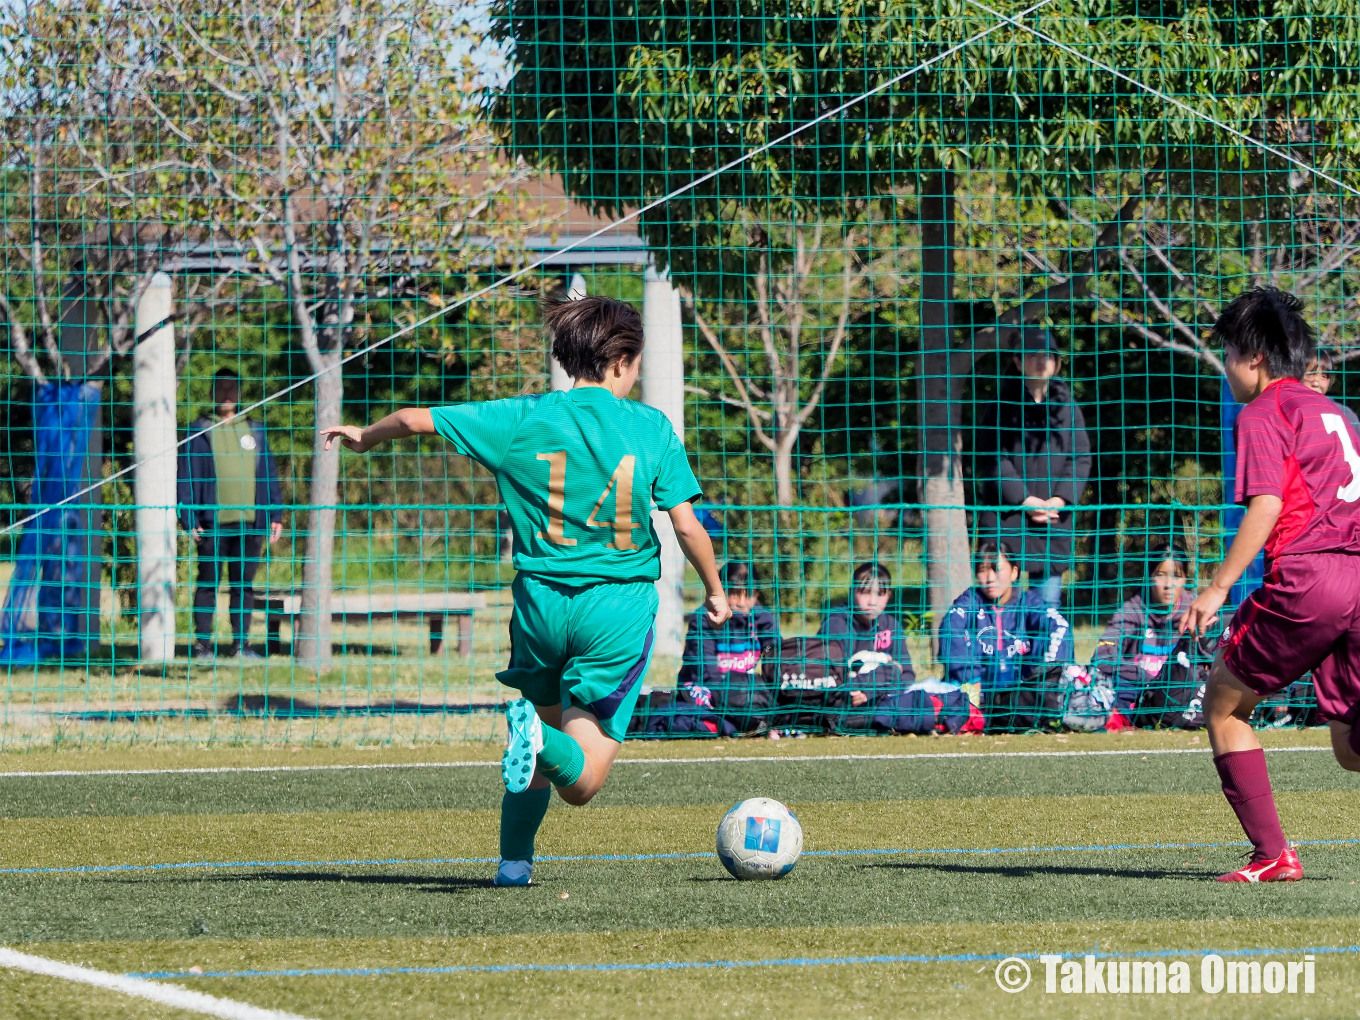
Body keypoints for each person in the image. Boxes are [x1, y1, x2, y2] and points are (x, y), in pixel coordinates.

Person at [320, 295, 730, 888]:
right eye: (636, 363)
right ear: (620, 362)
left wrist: (364, 436)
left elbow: (413, 418)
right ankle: (535, 755)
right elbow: (687, 524)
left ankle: (514, 863)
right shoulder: (649, 427)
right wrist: (714, 590)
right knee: (582, 780)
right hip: (615, 609)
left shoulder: (523, 416)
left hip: (539, 606)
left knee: (537, 742)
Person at [1181, 287, 1360, 883]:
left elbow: (1266, 505)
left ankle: (1273, 856)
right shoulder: (1340, 414)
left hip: (1310, 580)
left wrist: (1217, 587)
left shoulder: (1265, 411)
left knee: (1224, 707)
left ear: (1254, 357)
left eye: (1228, 353)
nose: (1226, 367)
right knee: (1349, 748)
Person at [975, 327, 1092, 608]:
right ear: (1017, 361)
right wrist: (1025, 500)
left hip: (1052, 520)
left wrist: (1060, 499)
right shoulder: (1000, 406)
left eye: (1048, 354)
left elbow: (1080, 458)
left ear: (1057, 362)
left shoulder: (1068, 407)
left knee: (1046, 613)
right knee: (999, 611)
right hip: (1007, 520)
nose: (1041, 360)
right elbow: (993, 458)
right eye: (1033, 354)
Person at [177, 368, 284, 660]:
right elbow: (184, 478)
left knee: (243, 586)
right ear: (212, 391)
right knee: (208, 584)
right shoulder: (198, 431)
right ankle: (202, 646)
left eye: (231, 388)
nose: (226, 393)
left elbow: (269, 473)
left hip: (250, 523)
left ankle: (241, 645)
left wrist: (276, 513)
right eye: (220, 387)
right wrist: (188, 518)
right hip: (212, 524)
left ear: (239, 392)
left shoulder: (255, 429)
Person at [939, 540, 1072, 727]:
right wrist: (971, 678)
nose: (990, 578)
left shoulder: (1029, 604)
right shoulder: (969, 602)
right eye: (983, 569)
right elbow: (950, 629)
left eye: (997, 569)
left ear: (1014, 572)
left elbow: (1059, 627)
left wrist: (1047, 677)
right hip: (976, 698)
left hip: (1021, 700)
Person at [1089, 542, 1211, 724]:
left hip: (1184, 692)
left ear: (1185, 579)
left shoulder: (1196, 610)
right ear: (1149, 577)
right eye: (1161, 575)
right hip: (1141, 690)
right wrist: (1150, 679)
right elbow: (1102, 656)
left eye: (1176, 576)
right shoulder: (1132, 611)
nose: (1168, 585)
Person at [676, 561, 779, 728]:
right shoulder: (703, 620)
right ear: (721, 592)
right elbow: (706, 673)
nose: (742, 602)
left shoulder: (764, 620)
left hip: (745, 692)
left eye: (749, 595)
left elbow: (776, 662)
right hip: (708, 690)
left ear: (758, 594)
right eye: (735, 594)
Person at [817, 561, 916, 712]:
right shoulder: (837, 624)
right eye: (865, 592)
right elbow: (829, 679)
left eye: (880, 593)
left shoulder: (891, 625)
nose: (872, 601)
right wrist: (886, 674)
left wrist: (871, 692)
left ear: (889, 595)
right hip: (842, 702)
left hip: (881, 698)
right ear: (852, 591)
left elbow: (907, 675)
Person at [1302, 347, 1360, 433]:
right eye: (1310, 374)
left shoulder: (1345, 414)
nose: (1316, 383)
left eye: (1324, 376)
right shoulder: (1286, 411)